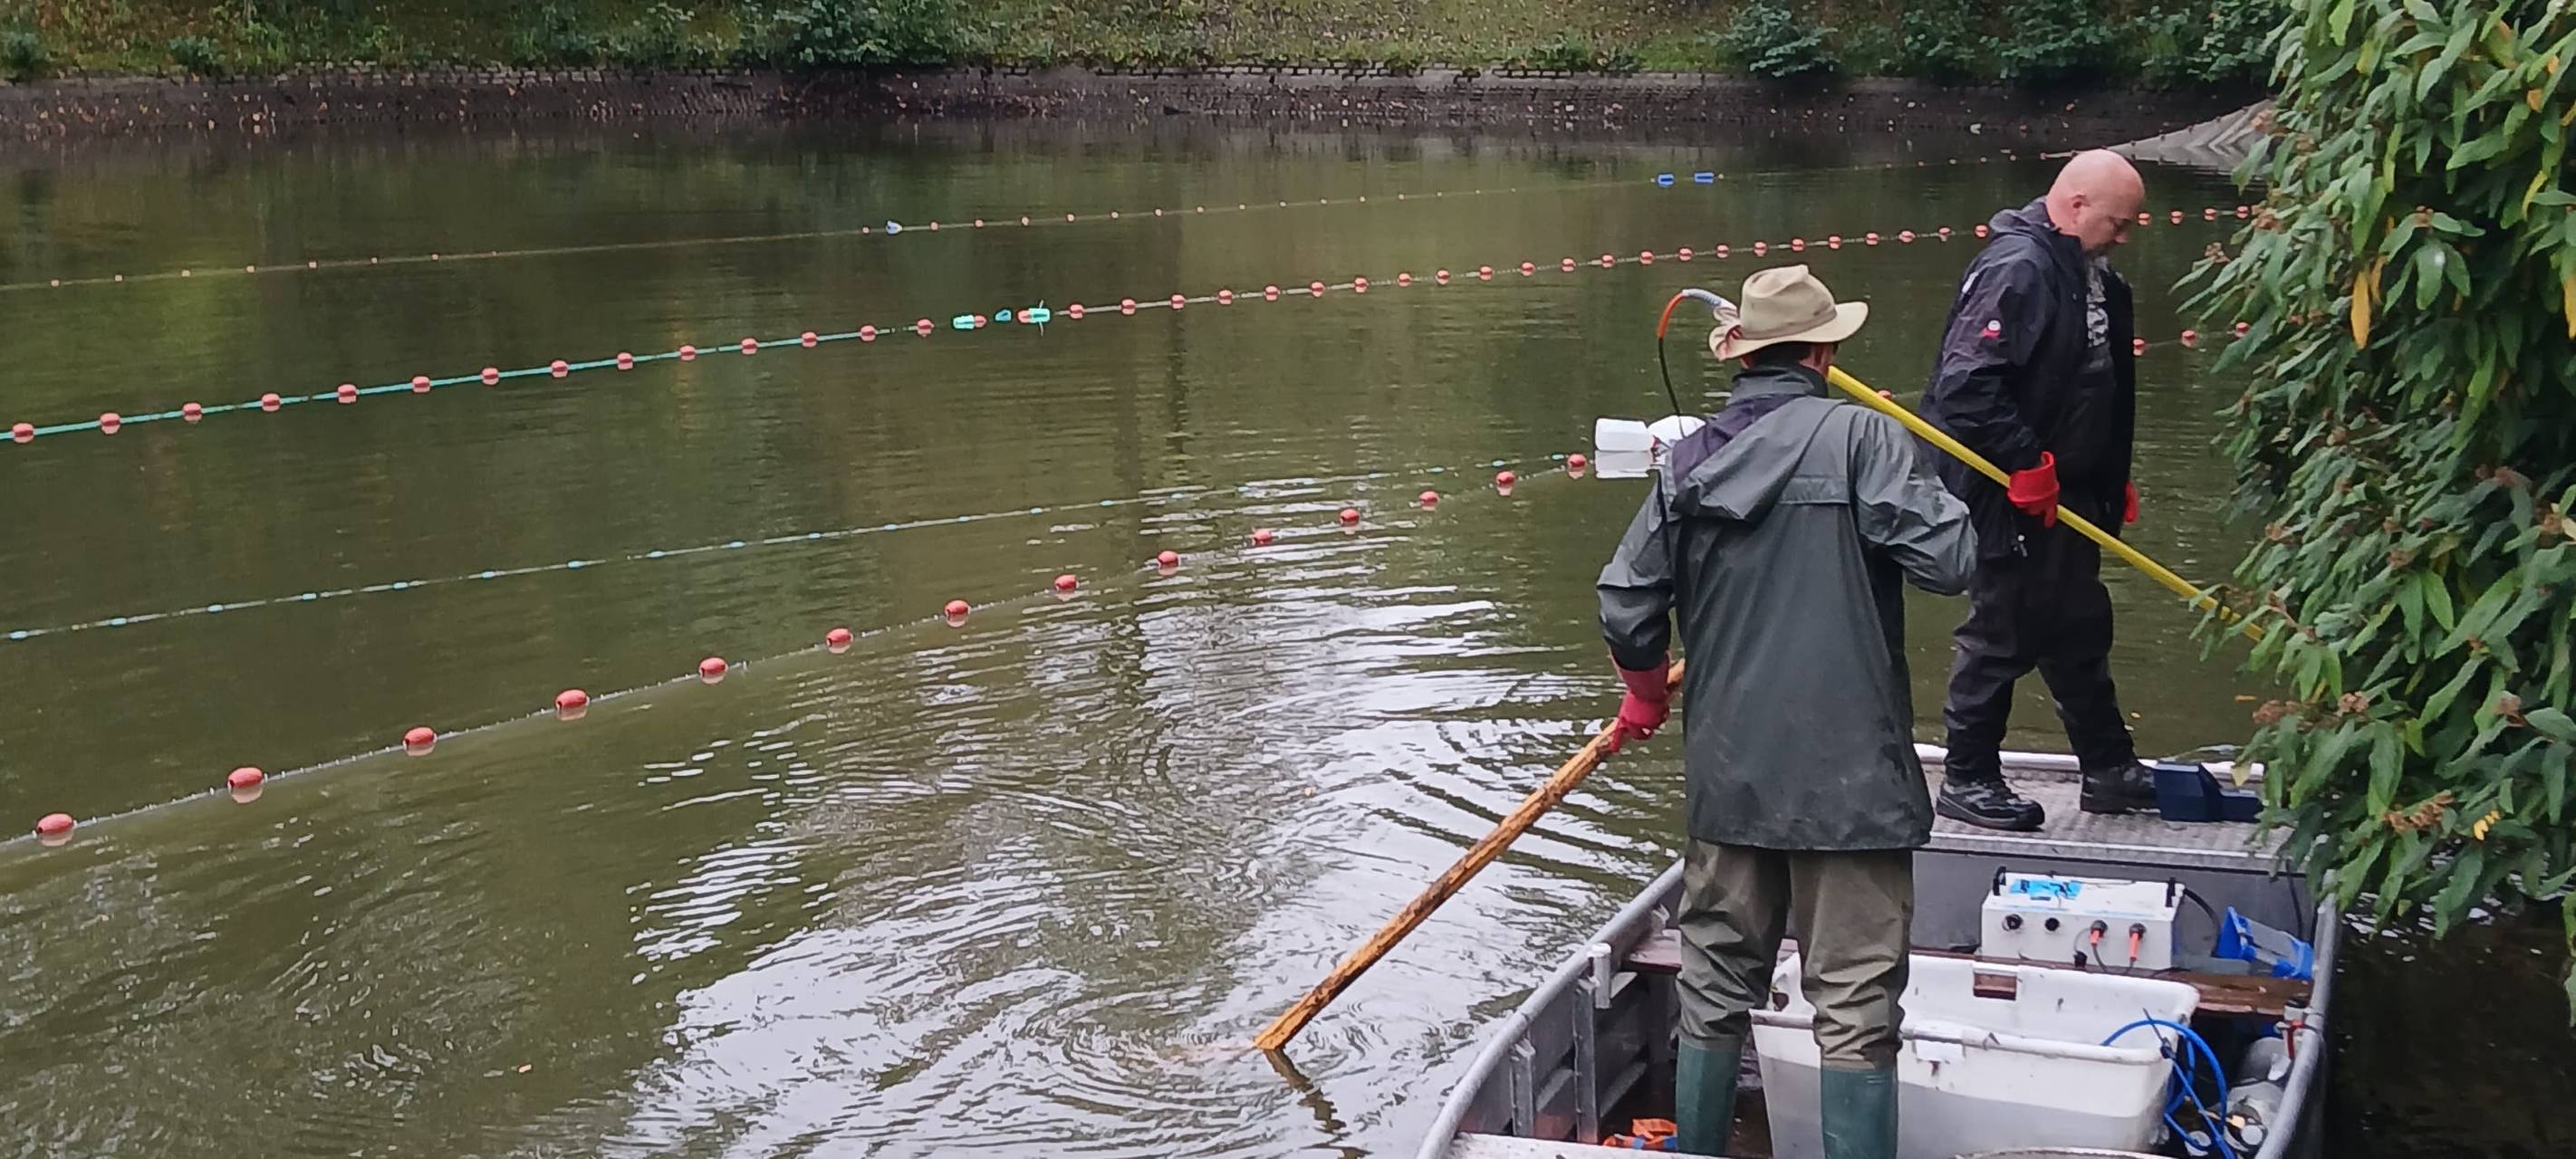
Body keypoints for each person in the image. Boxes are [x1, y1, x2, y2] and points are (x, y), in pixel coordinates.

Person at [1597, 265, 1976, 1158]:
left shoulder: (1685, 460)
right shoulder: (1865, 438)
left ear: (1742, 358)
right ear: (1824, 353)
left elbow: (1625, 601)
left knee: (1712, 986)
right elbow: (1951, 561)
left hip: (1732, 779)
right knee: (1855, 1004)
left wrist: (1645, 691)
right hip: (1853, 785)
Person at [1919, 149, 2160, 832]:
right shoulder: (2018, 269)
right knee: (2003, 628)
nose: (2124, 237)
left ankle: (2108, 768)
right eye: (2117, 223)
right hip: (2005, 489)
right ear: (2077, 206)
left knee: (2078, 624)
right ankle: (1967, 775)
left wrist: (2109, 474)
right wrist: (2026, 462)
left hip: (2072, 487)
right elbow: (1966, 386)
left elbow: (2097, 384)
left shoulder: (2094, 275)